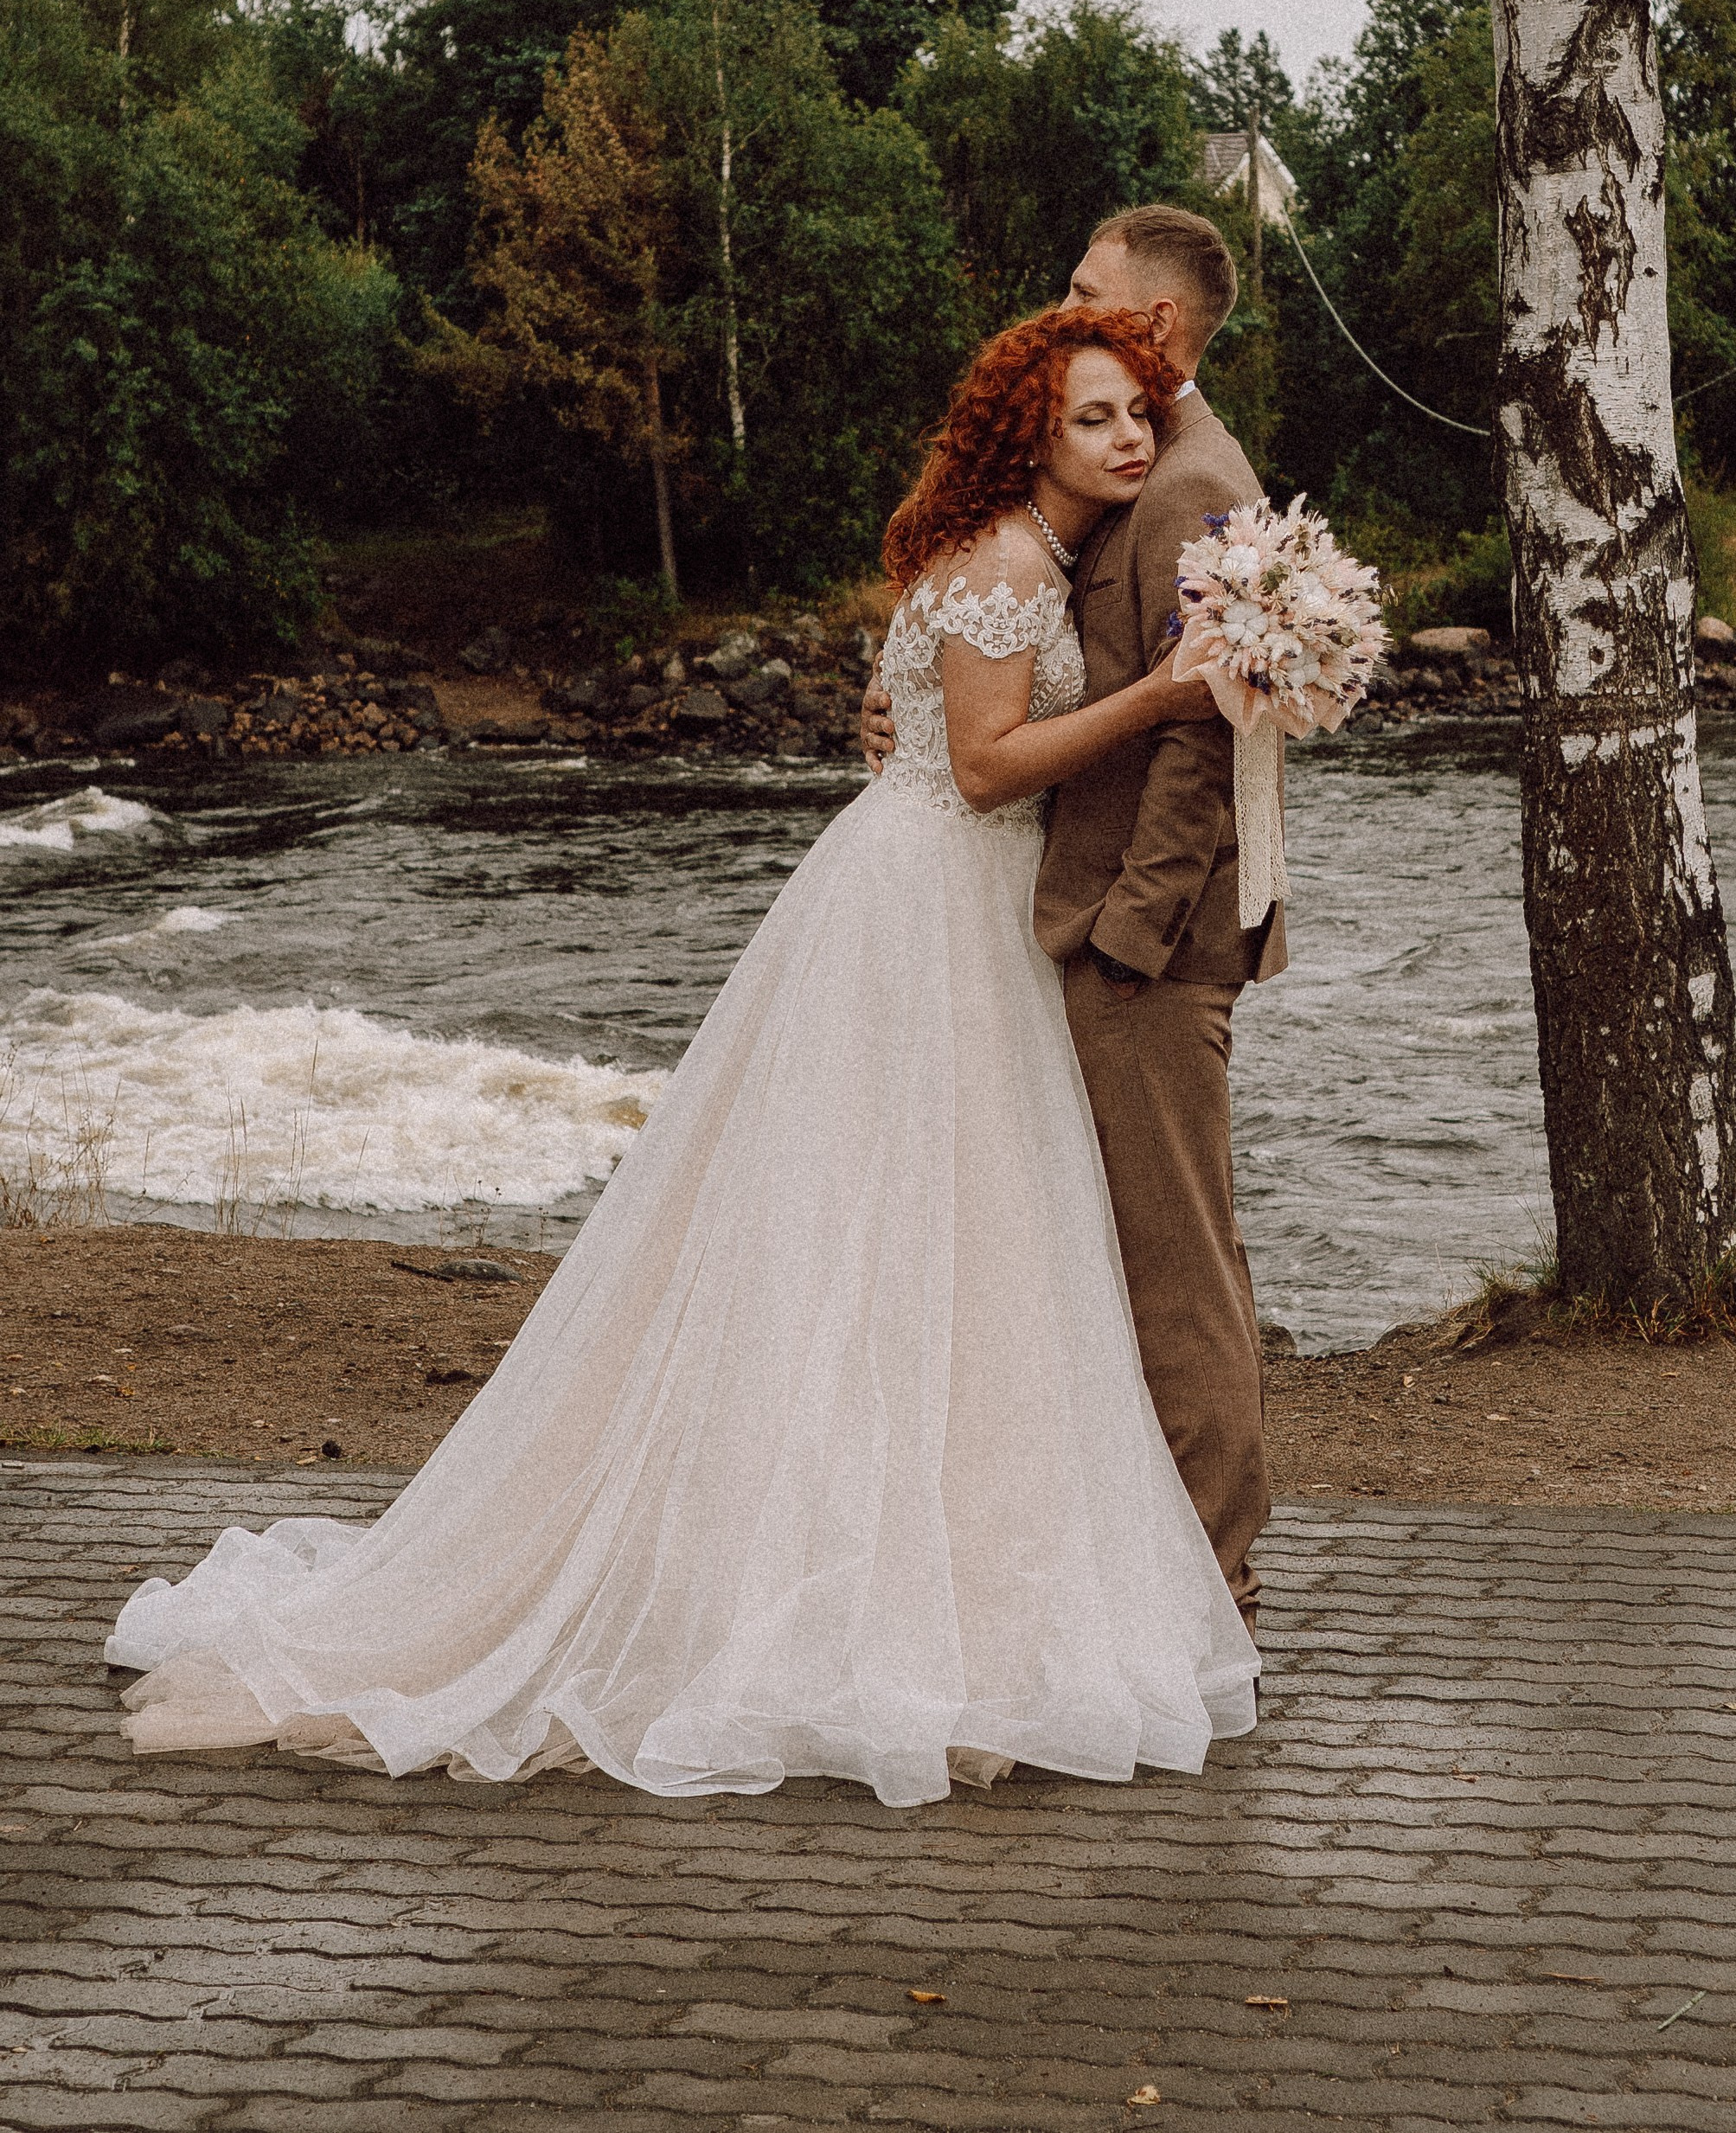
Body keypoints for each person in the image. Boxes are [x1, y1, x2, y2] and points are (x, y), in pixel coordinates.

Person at [106, 307, 1259, 1809]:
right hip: (924, 914)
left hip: (949, 906)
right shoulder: (996, 565)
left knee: (957, 1248)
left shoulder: (1026, 556)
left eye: (1136, 419)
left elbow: (923, 723)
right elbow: (977, 766)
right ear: (1029, 433)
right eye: (1097, 417)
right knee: (880, 1236)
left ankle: (947, 1565)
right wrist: (1160, 700)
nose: (1126, 440)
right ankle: (831, 1594)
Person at [864, 205, 1280, 1629]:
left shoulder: (1183, 491)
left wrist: (1129, 936)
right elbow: (1015, 658)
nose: (1062, 304)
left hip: (1138, 942)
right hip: (1040, 904)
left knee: (1177, 1272)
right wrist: (910, 697)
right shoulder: (1133, 476)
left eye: (1086, 290)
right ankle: (1144, 1561)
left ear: (1154, 329)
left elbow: (1204, 742)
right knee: (1112, 1250)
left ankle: (1212, 1582)